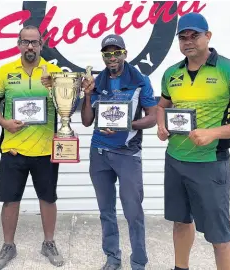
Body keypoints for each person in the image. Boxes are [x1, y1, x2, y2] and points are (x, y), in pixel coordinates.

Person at [156, 12, 230, 270]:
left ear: (208, 36)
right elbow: (162, 106)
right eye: (183, 37)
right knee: (180, 222)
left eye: (195, 35)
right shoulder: (171, 73)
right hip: (175, 161)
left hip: (210, 163)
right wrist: (161, 124)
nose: (188, 41)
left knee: (219, 237)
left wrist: (213, 133)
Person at [0, 25, 65, 269]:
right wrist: (3, 122)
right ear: (19, 44)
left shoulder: (54, 72)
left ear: (42, 45)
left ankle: (48, 243)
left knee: (48, 198)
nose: (30, 46)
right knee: (10, 200)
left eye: (35, 42)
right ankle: (8, 245)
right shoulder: (5, 71)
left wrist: (53, 86)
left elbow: (66, 104)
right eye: (25, 42)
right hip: (13, 148)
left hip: (45, 148)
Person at [80, 34, 157, 270]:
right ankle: (112, 258)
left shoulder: (140, 80)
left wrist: (127, 125)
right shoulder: (97, 81)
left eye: (116, 52)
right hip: (99, 152)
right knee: (106, 211)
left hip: (127, 154)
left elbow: (153, 118)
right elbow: (86, 121)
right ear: (102, 56)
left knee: (133, 212)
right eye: (107, 53)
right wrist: (87, 94)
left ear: (124, 53)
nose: (111, 57)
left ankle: (138, 262)